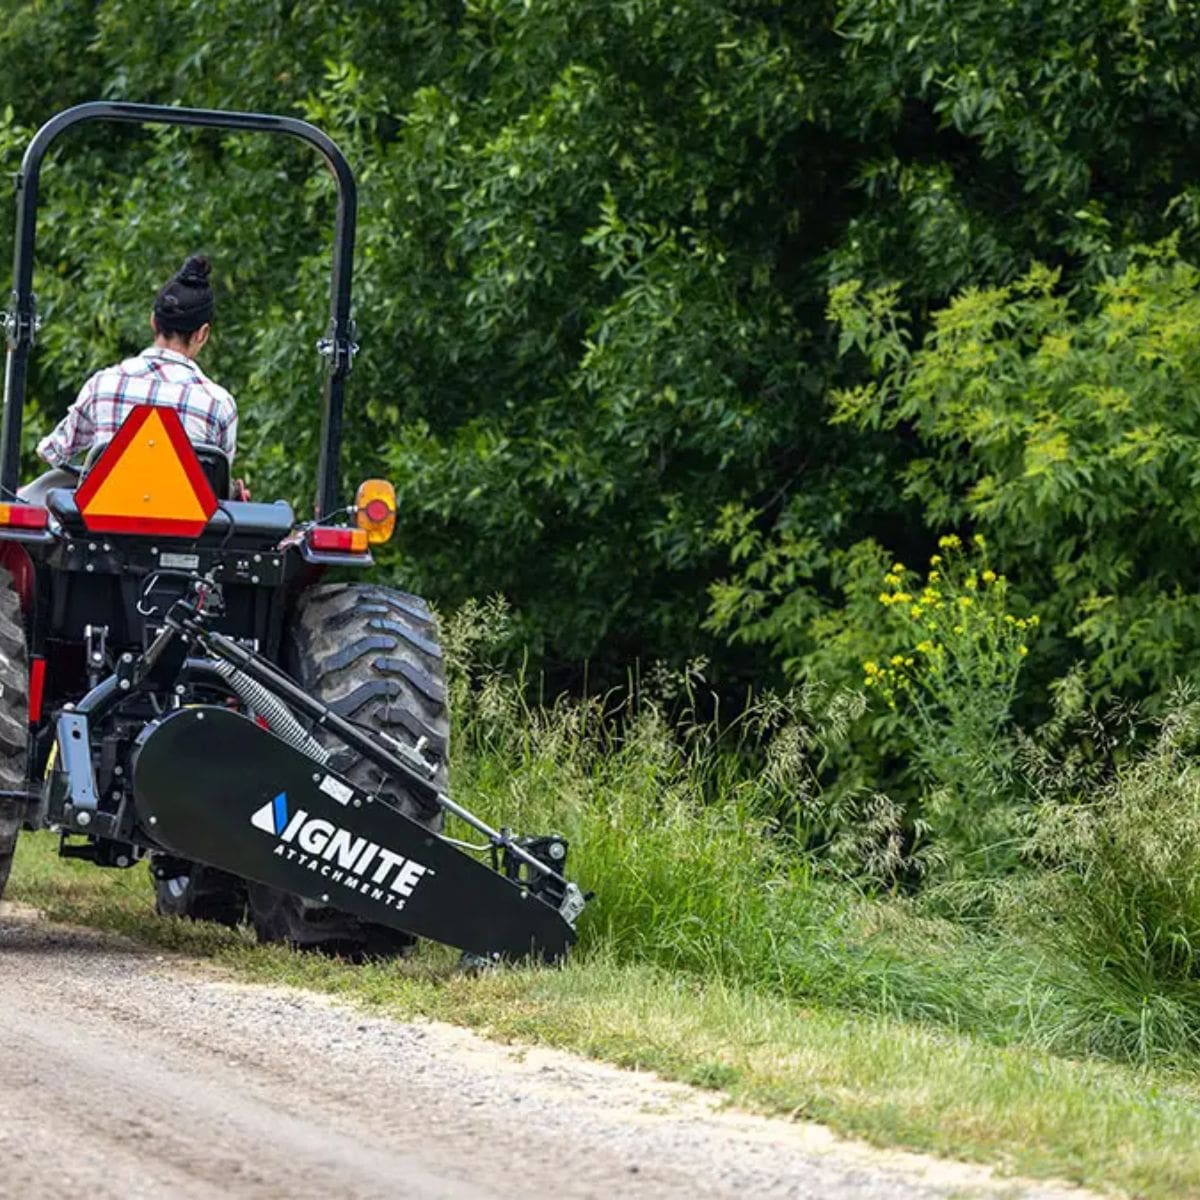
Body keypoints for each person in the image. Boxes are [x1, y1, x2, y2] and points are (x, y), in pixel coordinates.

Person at [20, 255, 239, 502]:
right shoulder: (218, 403)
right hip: (182, 537)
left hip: (99, 532)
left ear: (153, 321)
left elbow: (53, 452)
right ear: (202, 334)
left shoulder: (103, 384)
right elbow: (218, 486)